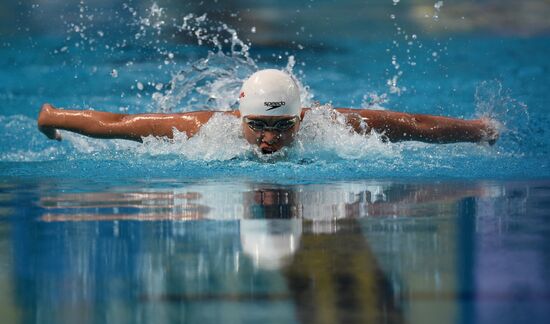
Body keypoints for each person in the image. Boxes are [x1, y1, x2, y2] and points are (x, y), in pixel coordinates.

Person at [37, 69, 498, 154]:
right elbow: (117, 125)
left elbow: (412, 126)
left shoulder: (330, 126)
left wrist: (478, 130)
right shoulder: (202, 131)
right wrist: (53, 116)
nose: (269, 140)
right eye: (258, 125)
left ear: (301, 118)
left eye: (283, 127)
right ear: (239, 118)